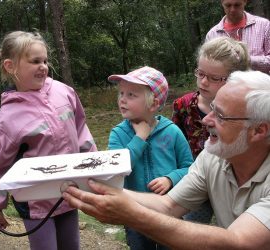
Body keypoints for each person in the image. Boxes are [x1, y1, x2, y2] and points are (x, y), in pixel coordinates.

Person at [62, 70, 270, 249]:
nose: (206, 119)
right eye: (212, 108)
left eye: (221, 115)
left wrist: (131, 215)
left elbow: (239, 242)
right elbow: (169, 205)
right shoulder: (213, 156)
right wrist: (102, 190)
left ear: (259, 130)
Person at [0, 31, 97, 250]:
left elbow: (81, 129)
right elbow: (1, 164)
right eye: (35, 61)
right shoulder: (8, 117)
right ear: (10, 66)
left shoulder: (64, 92)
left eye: (45, 60)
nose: (43, 66)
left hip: (68, 189)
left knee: (71, 245)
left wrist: (94, 168)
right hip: (34, 199)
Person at [107, 66, 194, 250]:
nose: (122, 99)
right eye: (121, 93)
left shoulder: (172, 132)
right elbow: (115, 171)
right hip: (133, 213)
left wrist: (170, 179)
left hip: (169, 213)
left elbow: (189, 168)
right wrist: (139, 139)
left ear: (153, 104)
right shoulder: (118, 134)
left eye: (131, 95)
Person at [172, 37, 250, 224]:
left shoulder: (247, 110)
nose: (203, 82)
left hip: (233, 184)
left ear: (234, 79)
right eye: (200, 73)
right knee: (192, 228)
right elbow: (176, 145)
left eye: (214, 78)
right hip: (194, 180)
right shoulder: (182, 105)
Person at [205, 0, 270, 74]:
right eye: (228, 5)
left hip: (259, 84)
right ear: (222, 3)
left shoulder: (263, 25)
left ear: (245, 2)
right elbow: (208, 67)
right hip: (227, 84)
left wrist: (247, 60)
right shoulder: (212, 34)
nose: (232, 10)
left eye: (237, 5)